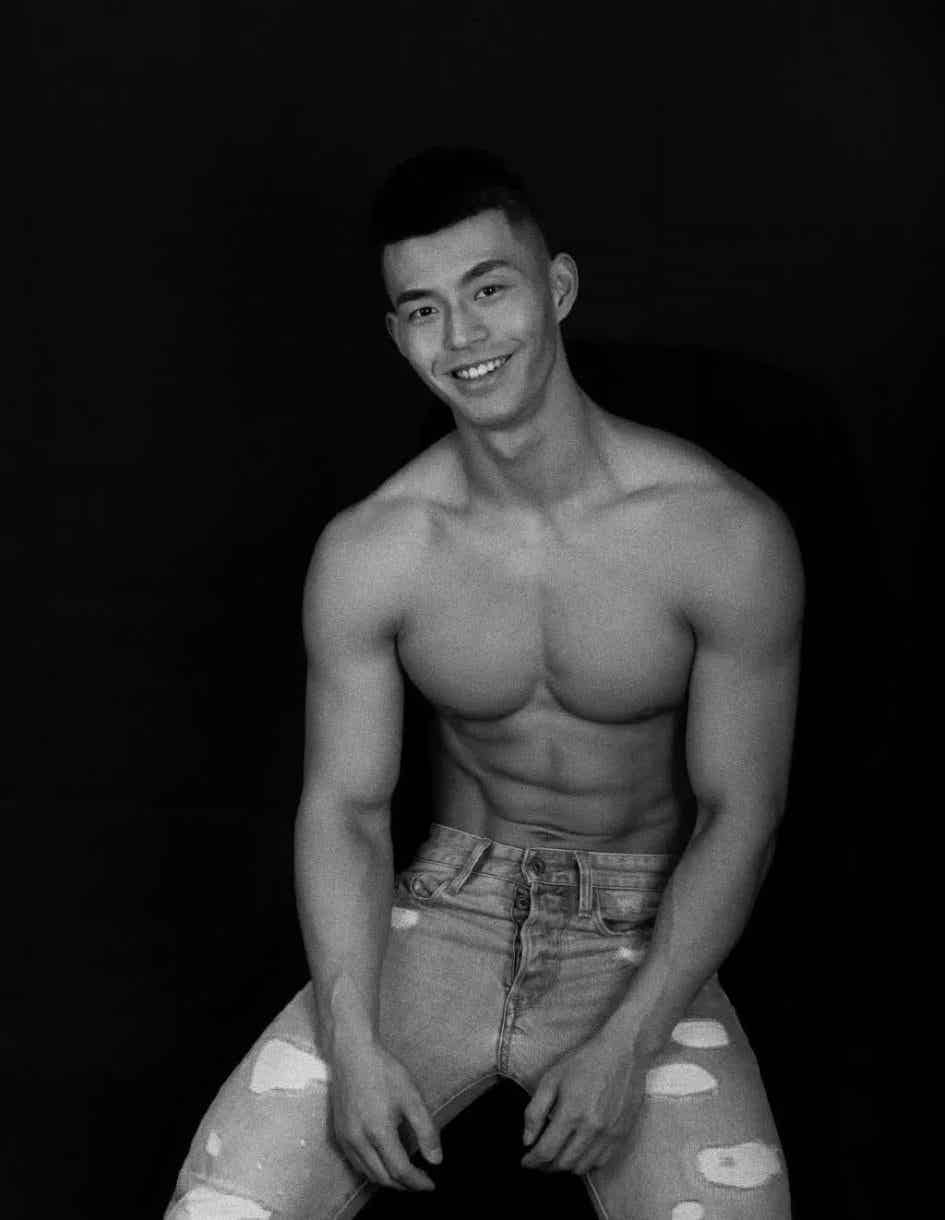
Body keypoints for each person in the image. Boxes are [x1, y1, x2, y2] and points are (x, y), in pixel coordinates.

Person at [166, 146, 802, 1220]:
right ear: (397, 334)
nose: (461, 337)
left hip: (641, 936)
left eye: (489, 290)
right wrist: (352, 1044)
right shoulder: (376, 549)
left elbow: (743, 812)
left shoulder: (721, 534)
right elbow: (346, 810)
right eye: (423, 310)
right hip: (439, 919)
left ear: (557, 288)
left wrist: (630, 1042)